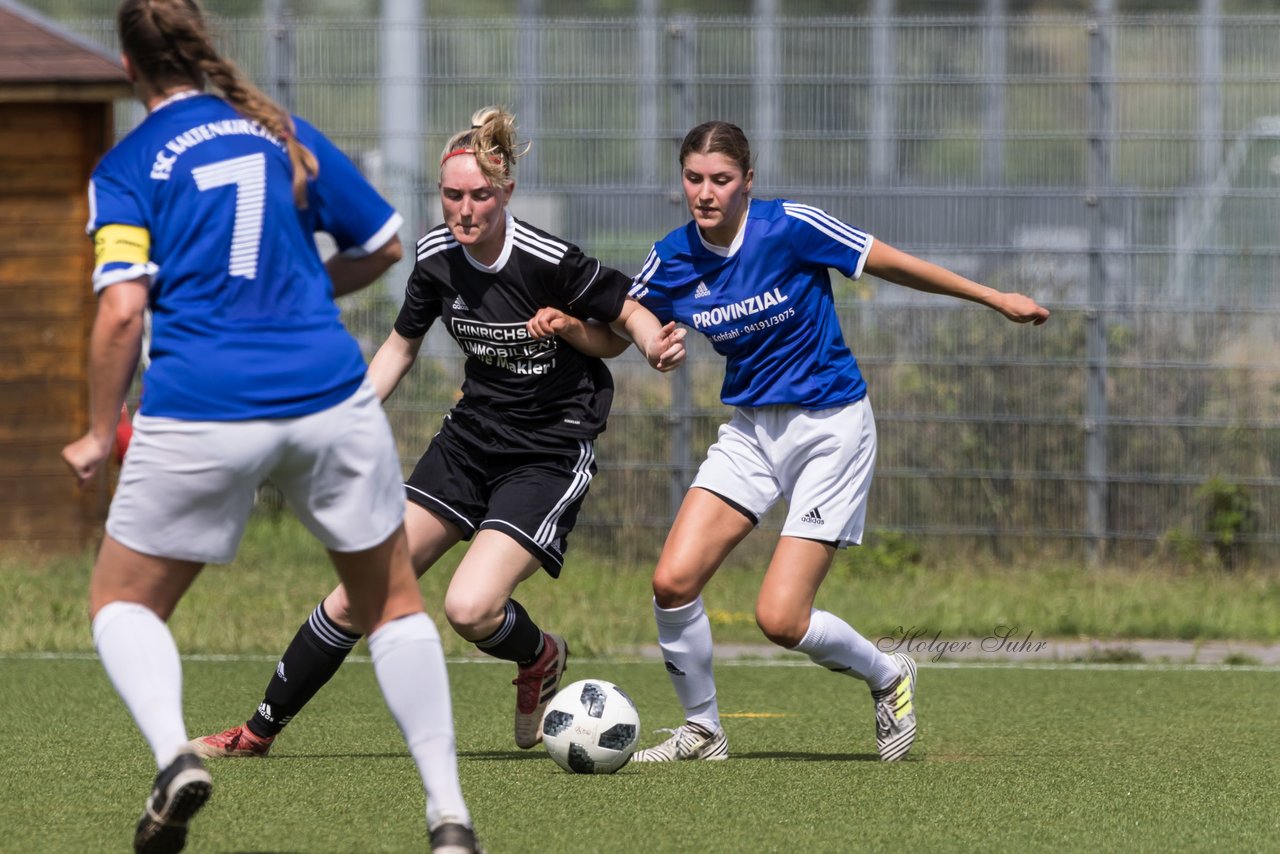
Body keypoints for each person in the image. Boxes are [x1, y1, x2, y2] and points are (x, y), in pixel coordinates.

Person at [62, 2, 478, 852]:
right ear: (205, 46)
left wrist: (98, 430)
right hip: (329, 393)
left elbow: (120, 312)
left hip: (201, 404)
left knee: (119, 602)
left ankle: (175, 756)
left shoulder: (129, 163)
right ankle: (450, 818)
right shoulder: (275, 130)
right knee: (394, 606)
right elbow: (388, 246)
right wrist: (292, 297)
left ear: (129, 67)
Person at [190, 106, 685, 761]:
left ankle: (538, 657)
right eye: (453, 195)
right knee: (357, 592)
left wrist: (653, 344)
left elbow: (624, 316)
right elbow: (400, 346)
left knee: (470, 609)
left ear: (505, 193)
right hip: (468, 441)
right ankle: (255, 735)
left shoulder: (546, 259)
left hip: (548, 451)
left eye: (481, 195)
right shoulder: (435, 257)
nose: (465, 208)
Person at [624, 120, 1050, 763]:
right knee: (672, 582)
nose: (704, 193)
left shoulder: (790, 225)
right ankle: (703, 729)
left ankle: (889, 675)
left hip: (831, 428)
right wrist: (639, 338)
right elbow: (623, 313)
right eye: (693, 178)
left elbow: (894, 264)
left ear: (747, 181)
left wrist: (992, 298)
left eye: (721, 179)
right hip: (752, 430)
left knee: (781, 619)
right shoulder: (673, 255)